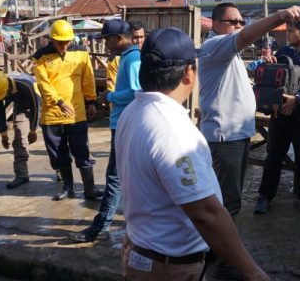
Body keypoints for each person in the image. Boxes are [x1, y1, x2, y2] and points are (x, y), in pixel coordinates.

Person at [115, 28, 269, 281]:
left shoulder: (134, 110)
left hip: (143, 249)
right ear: (188, 73)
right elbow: (205, 213)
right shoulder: (171, 131)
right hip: (167, 266)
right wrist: (252, 273)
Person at [199, 3, 300, 218]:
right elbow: (247, 36)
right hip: (225, 136)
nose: (238, 26)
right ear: (215, 24)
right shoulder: (216, 44)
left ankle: (220, 248)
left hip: (238, 134)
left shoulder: (231, 52)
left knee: (231, 200)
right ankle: (215, 250)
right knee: (226, 204)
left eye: (241, 22)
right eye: (232, 22)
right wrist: (280, 15)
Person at [70, 20, 141, 243]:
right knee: (121, 177)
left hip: (124, 124)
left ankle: (101, 226)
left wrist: (108, 96)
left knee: (114, 178)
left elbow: (135, 92)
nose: (106, 44)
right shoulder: (127, 58)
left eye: (107, 40)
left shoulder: (132, 59)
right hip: (122, 123)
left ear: (120, 38)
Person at [254, 17, 300, 213]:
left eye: (290, 31)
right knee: (274, 156)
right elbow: (274, 76)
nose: (286, 35)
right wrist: (270, 63)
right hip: (280, 114)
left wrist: (298, 99)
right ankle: (264, 196)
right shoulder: (284, 52)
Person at [34, 19, 101, 201]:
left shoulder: (81, 53)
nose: (64, 46)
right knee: (59, 153)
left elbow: (88, 78)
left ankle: (89, 188)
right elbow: (43, 84)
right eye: (60, 42)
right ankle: (68, 187)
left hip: (77, 113)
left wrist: (92, 101)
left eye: (67, 42)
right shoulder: (41, 57)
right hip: (52, 115)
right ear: (52, 39)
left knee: (82, 151)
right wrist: (59, 102)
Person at [0, 71, 40, 189]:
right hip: (21, 106)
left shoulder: (26, 85)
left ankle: (60, 169)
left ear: (8, 87)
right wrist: (3, 134)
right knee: (19, 140)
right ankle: (21, 175)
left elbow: (36, 107)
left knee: (52, 138)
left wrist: (33, 130)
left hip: (41, 102)